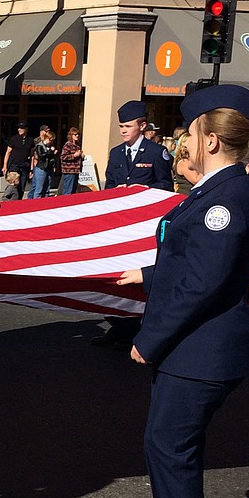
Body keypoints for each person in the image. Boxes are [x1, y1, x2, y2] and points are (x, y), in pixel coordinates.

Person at [114, 84, 249, 498]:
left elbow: (203, 284)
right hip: (193, 347)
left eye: (193, 131)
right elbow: (194, 264)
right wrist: (148, 275)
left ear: (212, 142)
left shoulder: (226, 199)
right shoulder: (216, 191)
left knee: (170, 441)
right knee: (165, 441)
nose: (186, 139)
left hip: (205, 348)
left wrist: (148, 338)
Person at [93, 100, 174, 347]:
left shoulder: (155, 152)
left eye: (127, 126)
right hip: (119, 225)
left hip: (144, 226)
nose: (123, 131)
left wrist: (141, 190)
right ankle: (118, 325)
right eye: (120, 126)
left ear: (142, 125)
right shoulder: (116, 153)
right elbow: (108, 186)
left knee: (136, 276)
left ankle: (134, 327)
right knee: (113, 274)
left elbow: (166, 186)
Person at [3, 121, 34, 197]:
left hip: (24, 166)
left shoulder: (30, 140)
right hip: (14, 165)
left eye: (22, 128)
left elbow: (32, 155)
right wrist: (5, 166)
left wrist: (31, 169)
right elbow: (8, 152)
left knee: (22, 187)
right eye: (19, 128)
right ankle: (11, 200)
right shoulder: (14, 139)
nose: (19, 129)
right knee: (13, 185)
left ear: (26, 129)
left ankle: (19, 201)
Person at [27, 125, 59, 199]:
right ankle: (35, 204)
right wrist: (51, 152)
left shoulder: (51, 146)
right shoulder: (39, 146)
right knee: (39, 188)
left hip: (49, 168)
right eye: (50, 140)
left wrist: (55, 155)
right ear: (46, 138)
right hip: (41, 168)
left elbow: (54, 157)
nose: (51, 142)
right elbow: (41, 156)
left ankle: (45, 203)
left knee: (47, 188)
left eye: (52, 140)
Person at [58, 127, 84, 195]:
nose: (77, 136)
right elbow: (63, 157)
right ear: (71, 136)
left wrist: (81, 157)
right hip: (69, 171)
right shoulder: (67, 145)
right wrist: (74, 155)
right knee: (68, 191)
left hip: (76, 171)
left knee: (73, 191)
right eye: (75, 134)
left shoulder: (77, 146)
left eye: (78, 134)